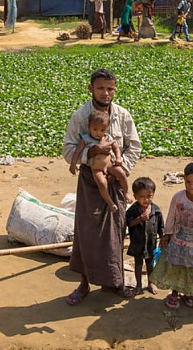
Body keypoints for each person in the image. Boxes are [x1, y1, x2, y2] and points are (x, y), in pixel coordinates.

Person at [62, 68, 142, 305]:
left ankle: (115, 281)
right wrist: (91, 153)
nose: (105, 93)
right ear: (91, 89)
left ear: (114, 89)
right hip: (89, 182)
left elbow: (133, 146)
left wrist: (120, 169)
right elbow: (68, 150)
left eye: (110, 88)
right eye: (100, 88)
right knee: (86, 233)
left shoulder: (123, 116)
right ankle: (84, 284)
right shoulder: (80, 117)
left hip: (115, 182)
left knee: (115, 230)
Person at [149, 163, 193, 309]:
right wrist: (167, 234)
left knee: (191, 270)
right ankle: (174, 293)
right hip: (177, 241)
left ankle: (189, 293)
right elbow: (171, 216)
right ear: (184, 180)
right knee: (176, 267)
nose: (191, 186)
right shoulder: (178, 198)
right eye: (188, 182)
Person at [69, 110, 133, 211]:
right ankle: (110, 202)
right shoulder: (86, 139)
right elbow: (77, 152)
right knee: (102, 183)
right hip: (96, 168)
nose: (98, 133)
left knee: (121, 173)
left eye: (102, 130)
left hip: (109, 165)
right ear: (89, 126)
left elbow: (116, 148)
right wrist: (73, 164)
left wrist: (118, 158)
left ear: (106, 128)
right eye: (95, 129)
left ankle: (126, 193)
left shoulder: (108, 137)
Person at [126, 177, 164, 294]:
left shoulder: (156, 210)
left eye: (149, 196)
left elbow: (161, 226)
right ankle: (138, 285)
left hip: (151, 243)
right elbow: (129, 223)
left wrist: (163, 238)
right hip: (137, 243)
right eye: (142, 197)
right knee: (138, 264)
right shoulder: (133, 210)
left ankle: (150, 283)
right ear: (135, 196)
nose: (146, 200)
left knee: (150, 264)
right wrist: (139, 219)